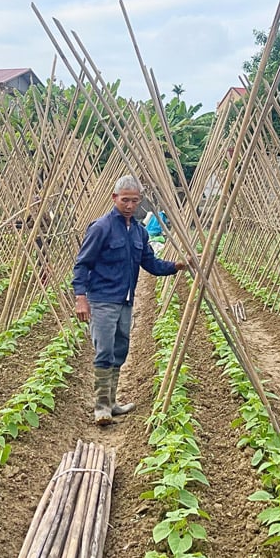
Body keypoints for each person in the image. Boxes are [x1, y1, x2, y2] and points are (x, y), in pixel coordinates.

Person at [73, 175, 189, 425]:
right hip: (102, 299)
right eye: (125, 199)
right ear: (115, 198)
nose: (129, 205)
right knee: (104, 351)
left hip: (125, 301)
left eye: (134, 201)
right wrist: (80, 298)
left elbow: (150, 263)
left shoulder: (139, 232)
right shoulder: (101, 227)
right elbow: (83, 264)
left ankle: (112, 402)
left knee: (120, 350)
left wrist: (177, 265)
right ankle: (101, 408)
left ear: (140, 201)